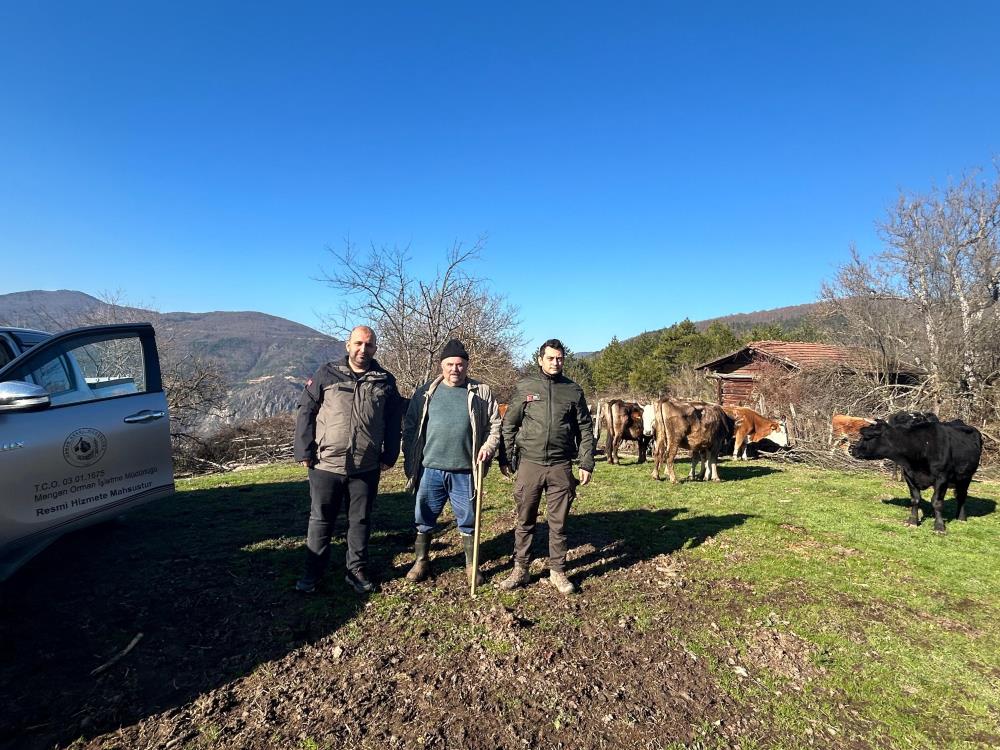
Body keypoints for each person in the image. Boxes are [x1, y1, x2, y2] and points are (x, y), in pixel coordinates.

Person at [293, 325, 404, 594]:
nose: (362, 349)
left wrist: (390, 455)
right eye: (358, 344)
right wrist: (304, 451)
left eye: (368, 345)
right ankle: (313, 573)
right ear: (348, 345)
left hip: (365, 466)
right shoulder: (326, 373)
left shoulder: (385, 380)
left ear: (375, 348)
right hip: (325, 465)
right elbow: (305, 411)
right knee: (321, 520)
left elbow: (392, 421)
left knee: (361, 521)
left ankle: (355, 571)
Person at [401, 339, 502, 586]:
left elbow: (495, 425)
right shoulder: (425, 393)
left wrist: (488, 448)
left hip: (465, 470)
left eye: (459, 364)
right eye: (449, 364)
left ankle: (471, 565)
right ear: (441, 365)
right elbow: (411, 426)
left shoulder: (481, 391)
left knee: (468, 519)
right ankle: (421, 561)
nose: (454, 369)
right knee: (423, 517)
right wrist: (410, 456)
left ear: (466, 366)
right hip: (430, 468)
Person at [498, 338, 595, 595]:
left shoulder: (573, 390)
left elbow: (585, 428)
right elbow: (510, 424)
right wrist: (506, 458)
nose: (555, 362)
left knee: (558, 521)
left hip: (561, 465)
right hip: (530, 463)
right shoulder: (525, 387)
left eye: (560, 358)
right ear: (540, 359)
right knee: (525, 518)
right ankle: (521, 568)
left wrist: (586, 461)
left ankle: (558, 570)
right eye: (550, 358)